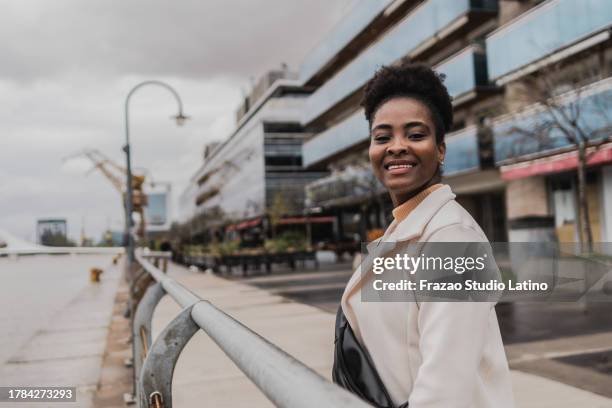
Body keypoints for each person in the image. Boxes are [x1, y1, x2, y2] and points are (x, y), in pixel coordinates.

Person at [333, 63, 514, 408]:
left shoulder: (453, 240)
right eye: (382, 136)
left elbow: (444, 391)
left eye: (415, 135)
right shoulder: (405, 227)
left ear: (440, 150)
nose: (396, 146)